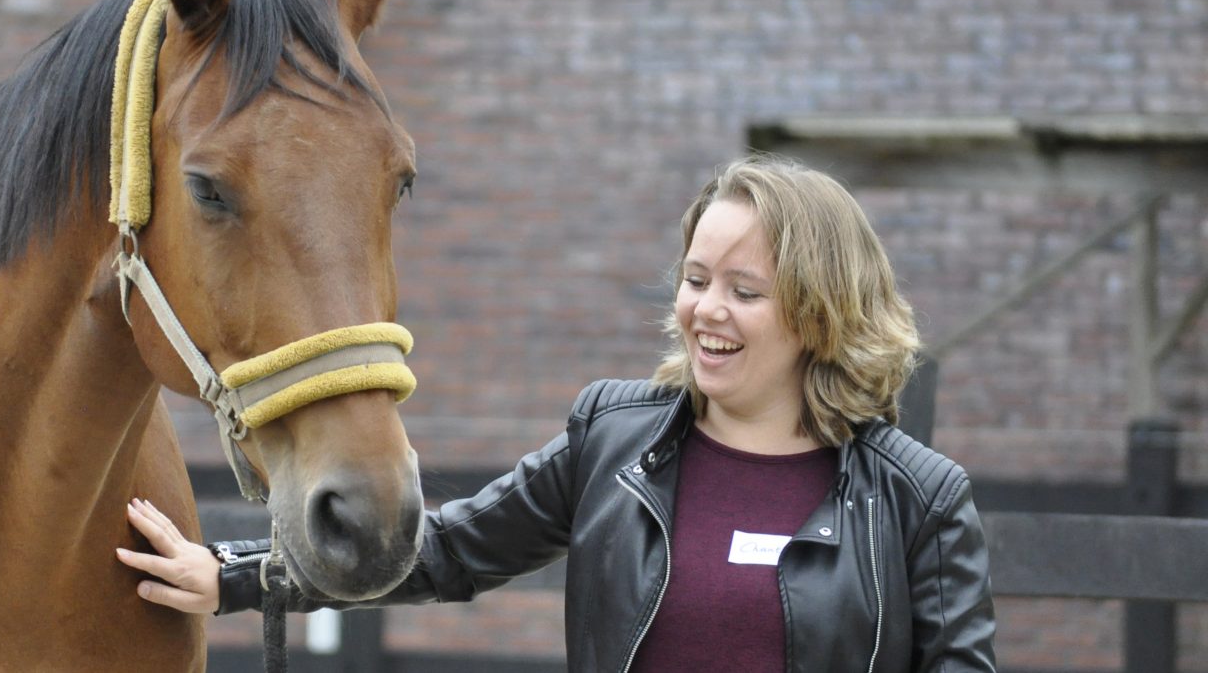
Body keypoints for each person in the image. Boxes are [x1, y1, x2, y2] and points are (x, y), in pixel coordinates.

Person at [115, 154, 998, 670]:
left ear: (819, 310)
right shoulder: (616, 437)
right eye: (695, 281)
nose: (705, 310)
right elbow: (449, 549)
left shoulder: (917, 496)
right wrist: (232, 577)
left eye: (745, 291)